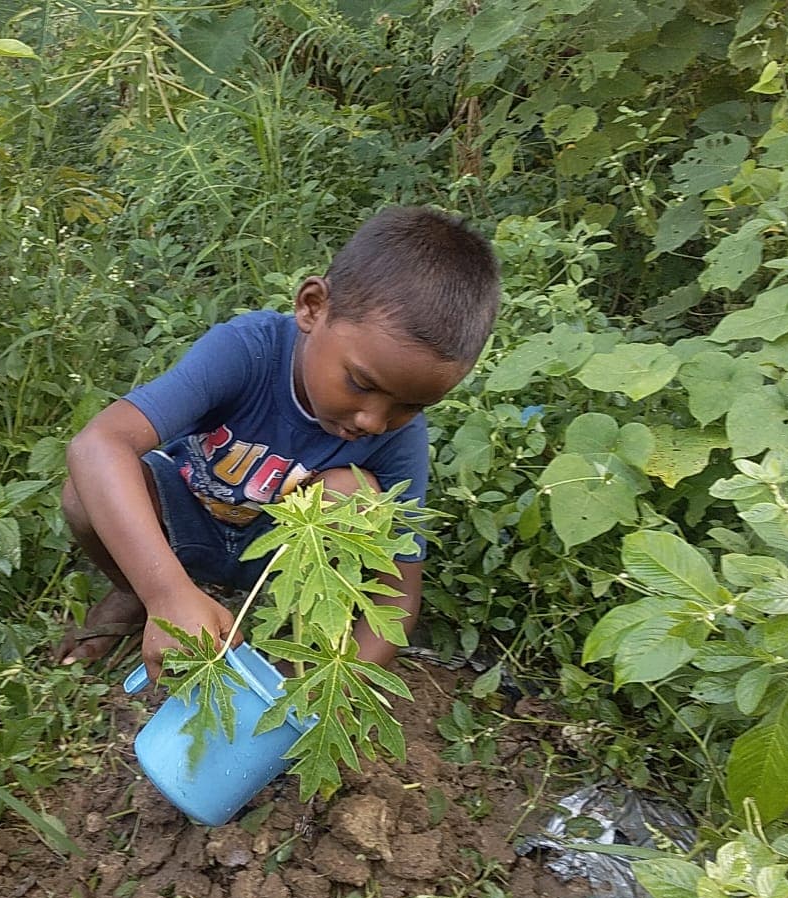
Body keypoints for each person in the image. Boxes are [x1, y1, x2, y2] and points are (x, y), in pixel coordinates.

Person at [54, 206, 500, 681]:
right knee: (83, 493)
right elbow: (98, 444)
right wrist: (165, 593)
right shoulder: (247, 351)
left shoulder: (400, 435)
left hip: (275, 562)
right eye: (360, 383)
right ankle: (137, 590)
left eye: (411, 405)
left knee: (355, 495)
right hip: (185, 520)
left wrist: (325, 685)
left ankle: (291, 656)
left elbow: (400, 594)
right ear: (312, 306)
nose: (374, 420)